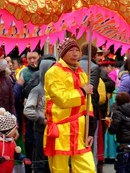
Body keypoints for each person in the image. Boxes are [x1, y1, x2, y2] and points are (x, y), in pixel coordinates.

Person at [43, 38, 96, 173]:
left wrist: (90, 131)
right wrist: (83, 91)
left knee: (88, 169)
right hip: (60, 130)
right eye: (71, 50)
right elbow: (62, 99)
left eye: (77, 50)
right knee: (59, 169)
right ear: (62, 53)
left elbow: (88, 104)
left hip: (80, 130)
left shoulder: (81, 72)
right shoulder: (53, 72)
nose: (75, 54)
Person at [24, 57, 56, 173]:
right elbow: (28, 110)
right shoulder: (37, 90)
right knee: (40, 159)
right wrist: (42, 120)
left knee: (52, 159)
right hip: (40, 130)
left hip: (55, 130)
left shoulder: (56, 89)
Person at [0, 108, 30, 172]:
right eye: (14, 129)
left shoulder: (10, 140)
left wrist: (23, 158)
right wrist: (0, 159)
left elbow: (15, 154)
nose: (16, 131)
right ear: (8, 131)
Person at [108, 92, 130, 173]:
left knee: (120, 166)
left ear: (117, 102)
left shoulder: (118, 113)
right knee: (129, 165)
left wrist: (109, 125)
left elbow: (113, 130)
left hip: (123, 143)